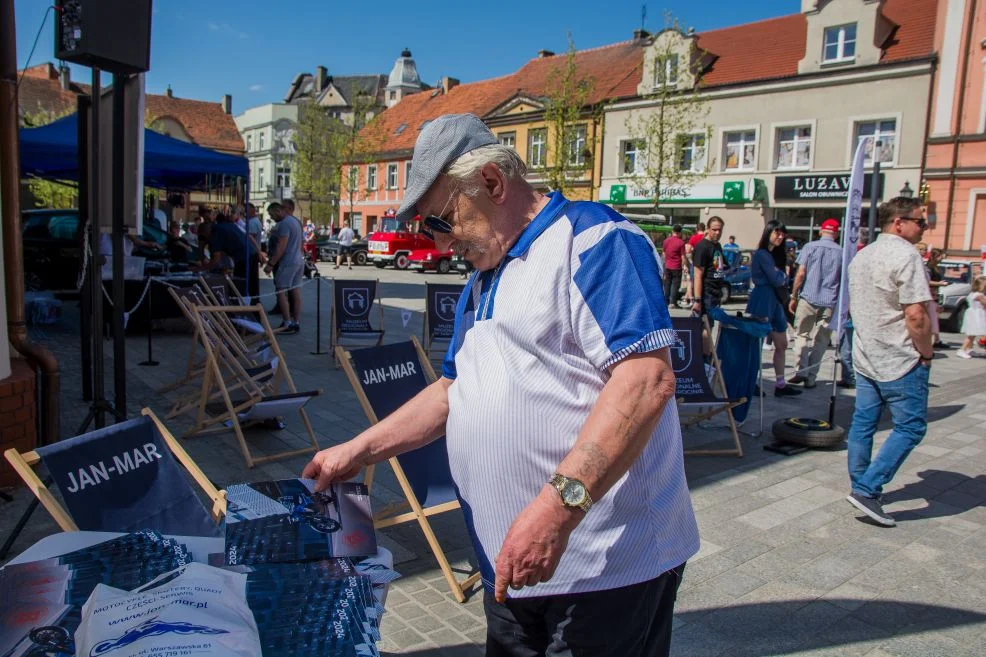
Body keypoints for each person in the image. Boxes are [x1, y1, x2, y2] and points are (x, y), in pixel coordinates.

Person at [301, 113, 697, 657]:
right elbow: (451, 391)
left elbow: (645, 379)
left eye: (440, 220)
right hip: (513, 565)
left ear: (491, 182)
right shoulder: (484, 277)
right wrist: (358, 448)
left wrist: (556, 511)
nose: (437, 240)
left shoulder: (592, 238)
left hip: (604, 569)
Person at [846, 197, 933, 527]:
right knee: (911, 427)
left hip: (866, 354)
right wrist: (925, 352)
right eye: (920, 222)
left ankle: (860, 486)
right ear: (899, 222)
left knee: (864, 423)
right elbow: (915, 314)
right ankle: (867, 489)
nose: (923, 227)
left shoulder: (863, 255)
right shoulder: (906, 255)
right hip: (899, 357)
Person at [747, 221, 801, 397]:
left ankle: (780, 383)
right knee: (756, 343)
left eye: (782, 234)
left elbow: (778, 278)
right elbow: (777, 278)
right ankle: (751, 381)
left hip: (776, 299)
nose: (780, 236)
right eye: (777, 233)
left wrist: (780, 276)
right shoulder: (762, 254)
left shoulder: (775, 255)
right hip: (763, 298)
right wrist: (782, 275)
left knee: (782, 343)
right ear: (768, 232)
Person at [788, 219, 842, 388]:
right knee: (821, 341)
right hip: (830, 301)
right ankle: (811, 377)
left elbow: (801, 273)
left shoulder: (809, 247)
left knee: (801, 334)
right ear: (837, 233)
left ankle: (801, 371)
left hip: (808, 297)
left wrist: (793, 295)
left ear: (820, 231)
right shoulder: (842, 252)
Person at [264, 199, 304, 333]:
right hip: (298, 260)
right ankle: (296, 321)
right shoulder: (296, 222)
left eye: (271, 214)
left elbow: (282, 246)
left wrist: (271, 264)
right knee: (295, 291)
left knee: (280, 291)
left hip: (288, 261)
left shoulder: (284, 224)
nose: (271, 217)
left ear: (278, 210)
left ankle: (287, 322)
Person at [690, 217, 726, 353]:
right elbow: (698, 274)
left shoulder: (717, 246)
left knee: (710, 327)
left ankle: (707, 355)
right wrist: (697, 300)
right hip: (706, 294)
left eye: (719, 230)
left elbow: (720, 266)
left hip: (715, 293)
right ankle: (704, 359)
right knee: (706, 327)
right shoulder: (702, 247)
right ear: (708, 229)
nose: (717, 232)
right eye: (714, 229)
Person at [925, 248, 949, 350]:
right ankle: (930, 343)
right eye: (940, 256)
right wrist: (940, 284)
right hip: (929, 295)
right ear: (934, 256)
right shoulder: (928, 268)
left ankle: (936, 340)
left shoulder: (936, 268)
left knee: (935, 318)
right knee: (931, 319)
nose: (942, 258)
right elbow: (926, 281)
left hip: (935, 295)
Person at [956, 276, 986, 359]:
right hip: (976, 316)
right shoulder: (979, 295)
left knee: (973, 334)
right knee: (971, 335)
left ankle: (969, 349)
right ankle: (962, 350)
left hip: (975, 315)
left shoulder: (973, 294)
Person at [661, 225, 685, 307]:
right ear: (680, 232)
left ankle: (665, 300)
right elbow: (683, 256)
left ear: (672, 231)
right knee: (675, 285)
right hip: (677, 266)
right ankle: (672, 302)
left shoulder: (666, 241)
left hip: (667, 265)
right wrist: (684, 266)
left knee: (667, 284)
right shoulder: (681, 242)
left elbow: (663, 254)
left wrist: (664, 264)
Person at [684, 222, 706, 303]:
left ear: (697, 229)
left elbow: (688, 250)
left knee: (695, 280)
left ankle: (696, 299)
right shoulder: (706, 237)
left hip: (696, 262)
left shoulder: (694, 238)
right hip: (706, 263)